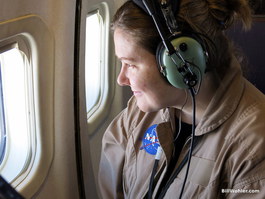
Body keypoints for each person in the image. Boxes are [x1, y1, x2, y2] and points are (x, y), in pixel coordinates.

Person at [98, 0, 265, 198]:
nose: (121, 79)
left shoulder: (254, 146)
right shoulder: (136, 116)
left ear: (181, 60)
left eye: (131, 65)